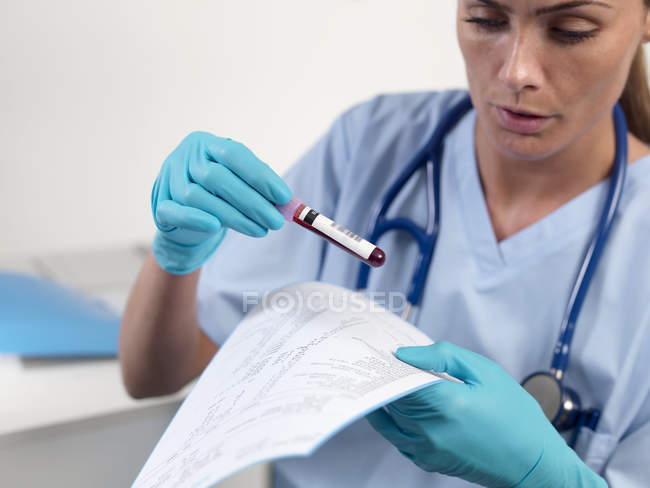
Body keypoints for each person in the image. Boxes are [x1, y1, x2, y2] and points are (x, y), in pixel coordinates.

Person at [119, 1, 650, 486]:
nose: (516, 72)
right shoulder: (371, 143)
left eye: (570, 30)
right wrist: (176, 259)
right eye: (486, 20)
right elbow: (154, 375)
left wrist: (547, 477)